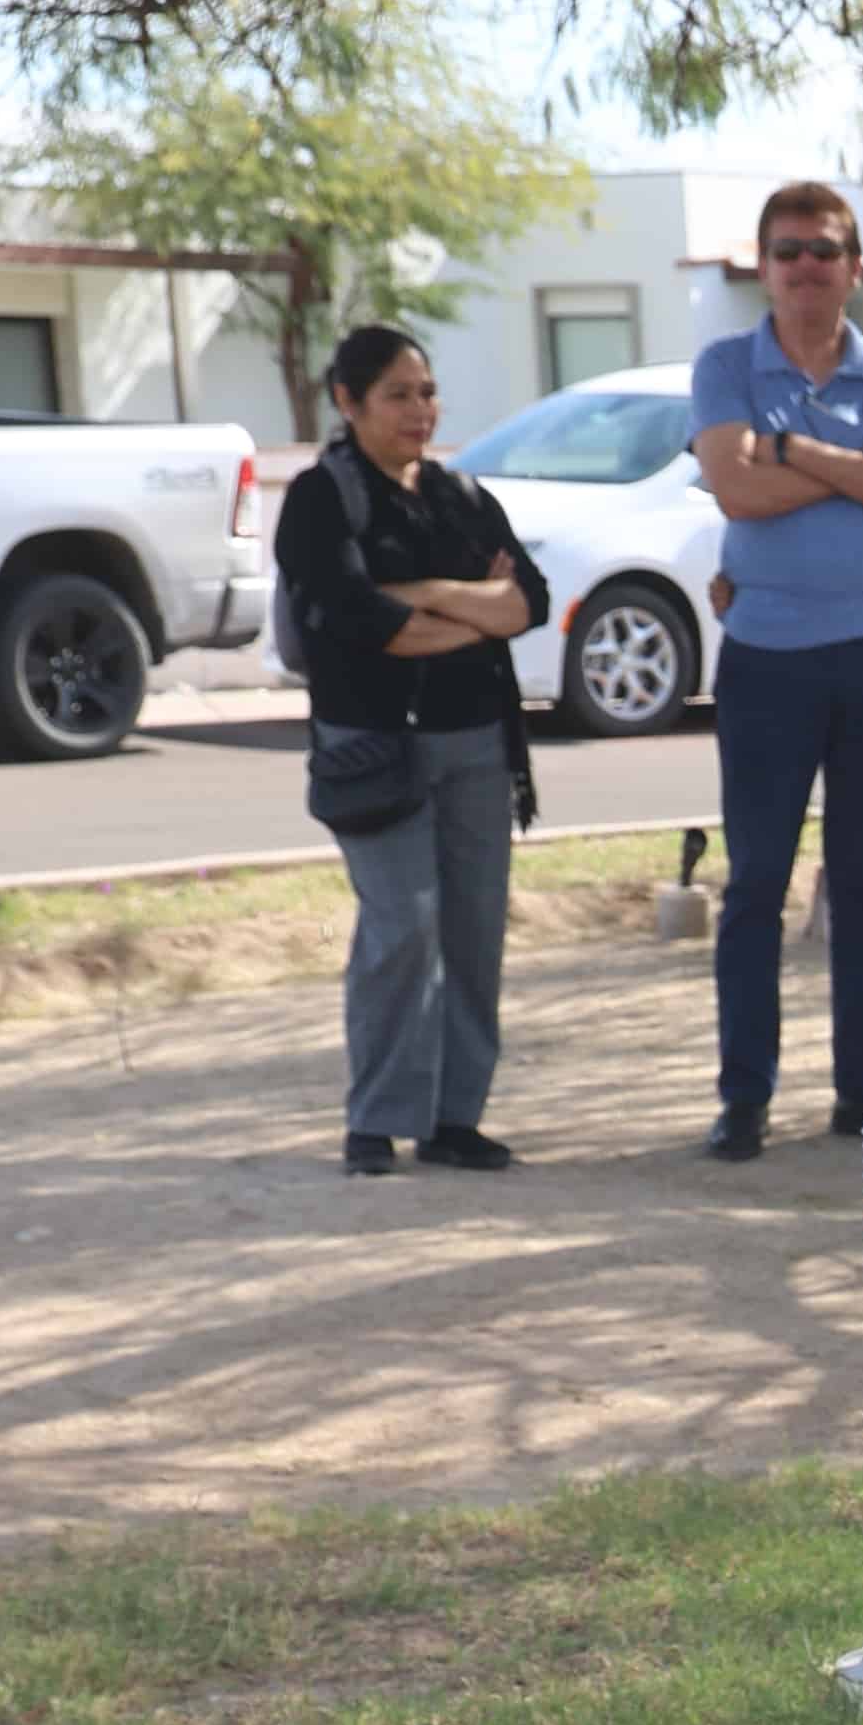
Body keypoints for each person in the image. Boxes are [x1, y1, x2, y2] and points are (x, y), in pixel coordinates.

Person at [688, 183, 863, 1159]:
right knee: (755, 883)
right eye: (788, 251)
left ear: (854, 267)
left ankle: (861, 1098)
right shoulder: (725, 364)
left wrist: (789, 445)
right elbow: (739, 493)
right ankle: (743, 1099)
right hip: (767, 657)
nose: (806, 267)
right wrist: (850, 458)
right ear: (763, 266)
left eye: (824, 250)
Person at [277, 321, 548, 1180]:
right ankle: (376, 1120)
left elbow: (527, 604)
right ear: (347, 402)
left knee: (473, 935)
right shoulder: (323, 499)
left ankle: (453, 1119)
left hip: (475, 743)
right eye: (397, 394)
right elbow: (360, 625)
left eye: (426, 391)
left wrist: (426, 594)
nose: (419, 410)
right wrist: (472, 607)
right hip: (374, 754)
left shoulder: (462, 496)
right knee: (403, 927)